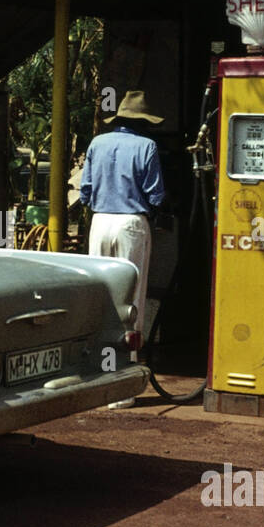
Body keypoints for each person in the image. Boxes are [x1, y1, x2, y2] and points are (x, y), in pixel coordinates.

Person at [79, 90, 168, 408]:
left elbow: (85, 192)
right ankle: (123, 389)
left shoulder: (97, 143)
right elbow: (156, 195)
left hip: (100, 222)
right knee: (130, 303)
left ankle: (100, 381)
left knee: (100, 300)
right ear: (142, 122)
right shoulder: (147, 146)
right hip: (131, 223)